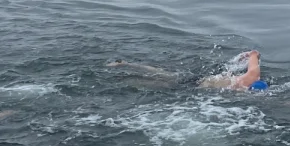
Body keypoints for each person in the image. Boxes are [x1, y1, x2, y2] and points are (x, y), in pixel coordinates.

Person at [108, 51, 268, 91]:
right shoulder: (242, 90)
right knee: (158, 82)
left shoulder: (251, 77)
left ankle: (126, 64)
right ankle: (125, 78)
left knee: (161, 74)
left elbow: (254, 54)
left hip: (199, 80)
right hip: (197, 89)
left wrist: (253, 54)